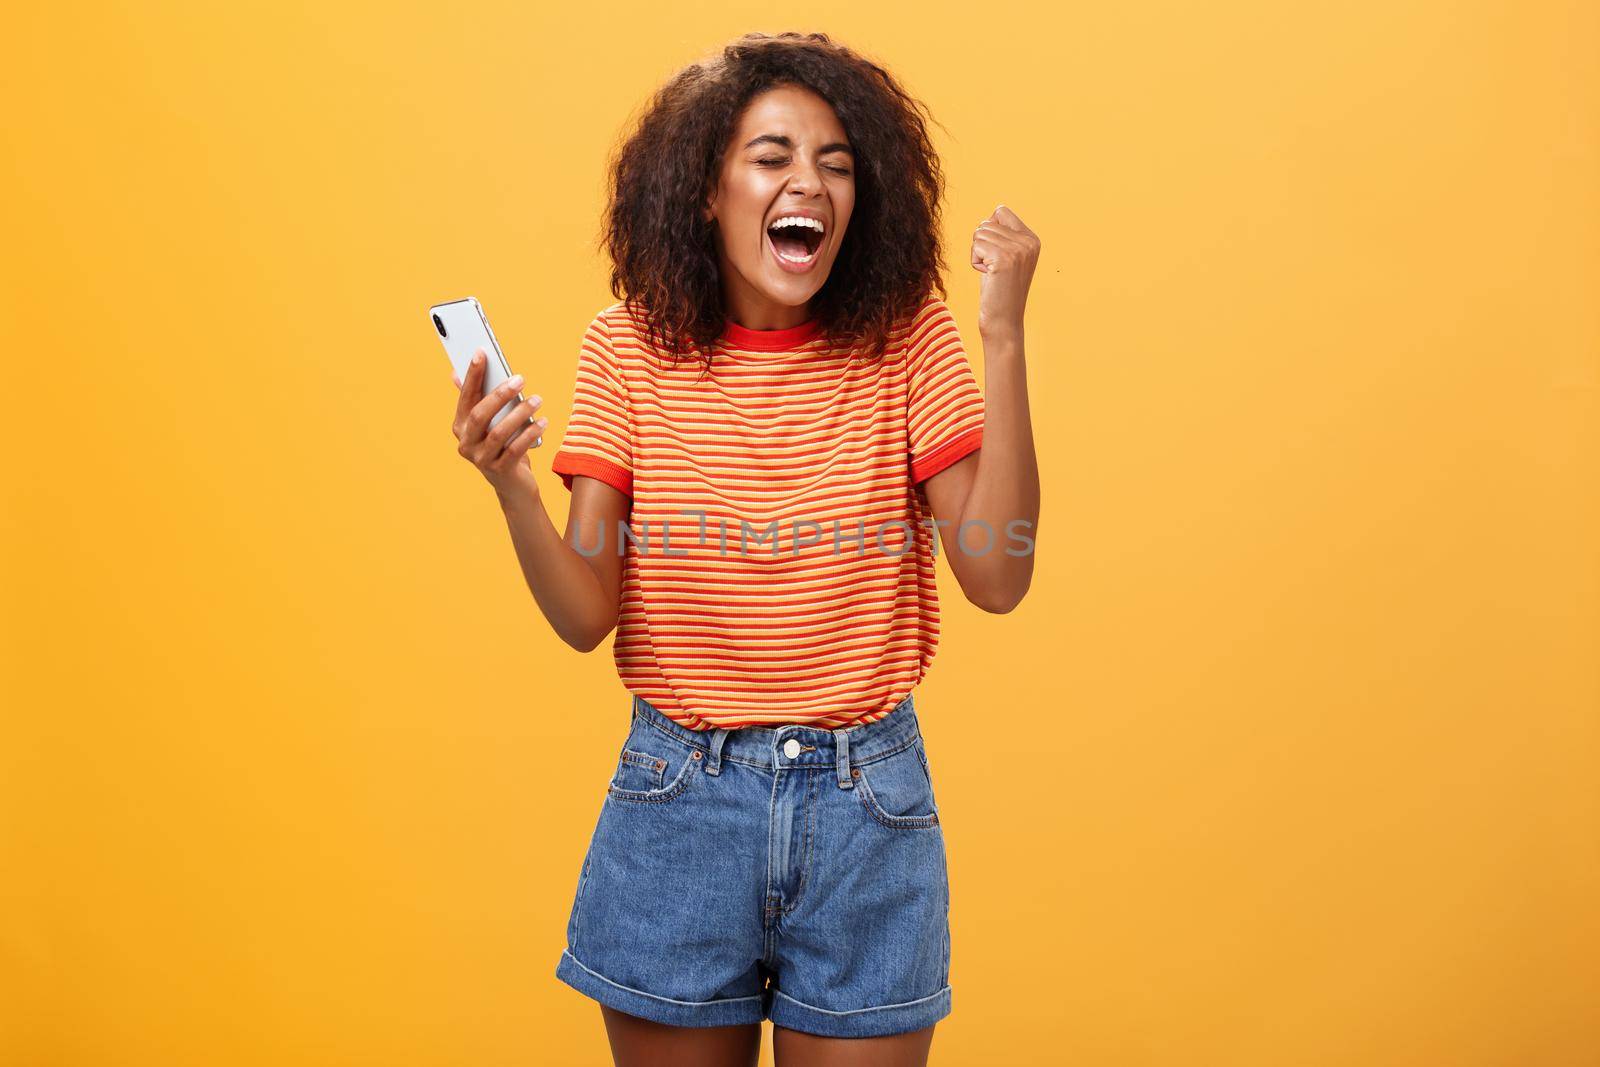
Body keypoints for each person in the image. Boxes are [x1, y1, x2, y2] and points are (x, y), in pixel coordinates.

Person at [449, 30, 1041, 1067]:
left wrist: (1001, 334)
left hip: (868, 808)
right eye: (770, 156)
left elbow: (996, 572)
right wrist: (512, 489)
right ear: (704, 190)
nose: (806, 180)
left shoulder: (908, 337)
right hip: (680, 801)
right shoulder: (626, 346)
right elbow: (588, 613)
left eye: (835, 162)